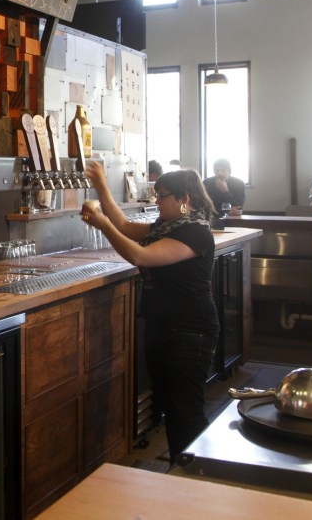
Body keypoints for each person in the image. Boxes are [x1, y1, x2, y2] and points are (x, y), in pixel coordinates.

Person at [81, 162, 216, 461]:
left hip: (189, 330)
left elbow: (138, 254)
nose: (156, 201)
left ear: (184, 200)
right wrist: (101, 184)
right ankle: (180, 468)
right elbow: (126, 227)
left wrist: (102, 224)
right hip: (162, 326)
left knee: (187, 408)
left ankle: (198, 474)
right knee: (170, 404)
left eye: (162, 195)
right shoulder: (169, 227)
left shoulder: (194, 233)